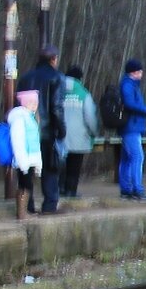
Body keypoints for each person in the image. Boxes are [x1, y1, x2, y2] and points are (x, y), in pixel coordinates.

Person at [19, 44, 66, 215]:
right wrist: (61, 130)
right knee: (50, 168)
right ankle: (49, 204)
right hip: (46, 130)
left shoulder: (25, 78)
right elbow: (56, 107)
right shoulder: (57, 78)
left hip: (25, 129)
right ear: (54, 59)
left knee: (26, 168)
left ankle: (27, 205)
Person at [59, 64, 102, 198]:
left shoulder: (57, 91)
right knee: (74, 165)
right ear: (79, 78)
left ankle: (59, 189)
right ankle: (71, 191)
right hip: (79, 135)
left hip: (59, 135)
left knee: (60, 163)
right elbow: (90, 117)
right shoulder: (84, 94)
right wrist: (94, 132)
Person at [117, 58, 146, 201]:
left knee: (127, 159)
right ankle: (137, 190)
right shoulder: (128, 85)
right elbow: (129, 103)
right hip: (131, 127)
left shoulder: (131, 85)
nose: (141, 73)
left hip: (132, 127)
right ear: (134, 72)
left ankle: (126, 189)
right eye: (139, 71)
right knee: (137, 157)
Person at [7, 88, 45, 216]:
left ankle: (27, 210)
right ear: (24, 103)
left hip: (31, 158)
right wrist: (22, 161)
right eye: (31, 102)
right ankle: (23, 212)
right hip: (23, 158)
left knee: (28, 184)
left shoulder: (31, 118)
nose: (34, 105)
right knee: (25, 184)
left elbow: (35, 142)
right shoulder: (19, 118)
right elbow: (18, 141)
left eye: (35, 102)